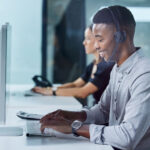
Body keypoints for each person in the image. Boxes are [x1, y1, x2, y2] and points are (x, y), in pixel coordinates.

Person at [39, 5, 150, 150]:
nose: (96, 46)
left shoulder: (145, 74)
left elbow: (127, 137)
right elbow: (103, 111)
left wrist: (74, 127)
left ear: (121, 36)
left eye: (100, 39)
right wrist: (70, 116)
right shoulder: (117, 68)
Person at [32, 25, 114, 104]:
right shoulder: (93, 65)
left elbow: (83, 92)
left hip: (105, 115)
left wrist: (52, 92)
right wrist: (49, 89)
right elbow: (75, 84)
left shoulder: (105, 66)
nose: (84, 42)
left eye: (88, 39)